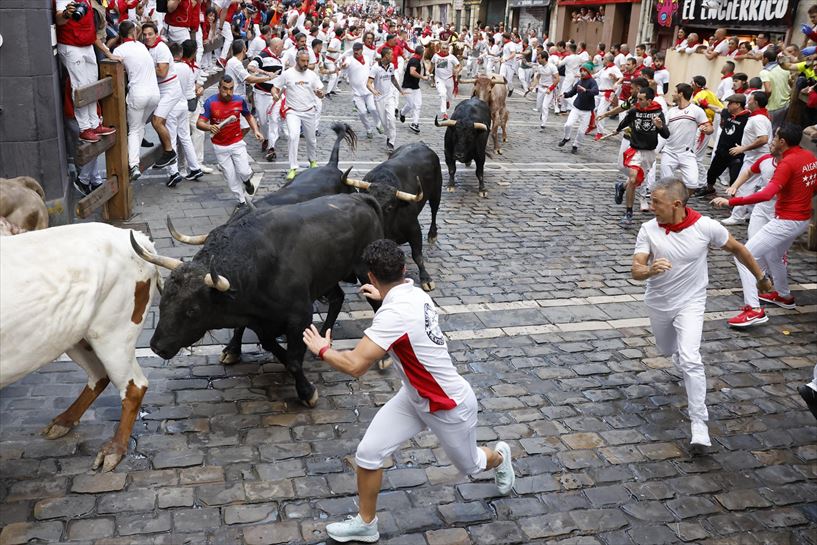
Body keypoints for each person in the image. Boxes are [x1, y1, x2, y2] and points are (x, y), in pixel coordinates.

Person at [302, 239, 516, 543]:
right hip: (414, 396)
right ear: (404, 269)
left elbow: (355, 365)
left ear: (372, 277)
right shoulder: (413, 293)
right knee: (369, 453)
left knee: (471, 465)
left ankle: (500, 457)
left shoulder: (395, 314)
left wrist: (323, 349)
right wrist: (383, 296)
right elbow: (400, 309)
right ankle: (366, 523)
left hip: (449, 406)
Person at [632, 178, 770, 449]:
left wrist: (760, 277)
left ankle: (699, 424)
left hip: (691, 303)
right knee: (667, 349)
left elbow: (739, 249)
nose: (650, 206)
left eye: (656, 202)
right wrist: (649, 270)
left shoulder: (705, 226)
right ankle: (677, 357)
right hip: (659, 302)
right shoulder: (648, 229)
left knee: (691, 358)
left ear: (676, 204)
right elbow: (635, 269)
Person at [711, 124, 817, 327]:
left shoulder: (787, 163)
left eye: (775, 138)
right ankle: (784, 296)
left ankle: (754, 309)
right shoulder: (810, 158)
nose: (772, 141)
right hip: (802, 219)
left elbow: (767, 194)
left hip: (787, 220)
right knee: (774, 255)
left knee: (744, 256)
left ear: (783, 142)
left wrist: (731, 201)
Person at [197, 76, 262, 209]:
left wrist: (256, 130)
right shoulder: (210, 102)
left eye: (231, 89)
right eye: (225, 89)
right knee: (231, 178)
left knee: (244, 171)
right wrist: (209, 127)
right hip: (219, 146)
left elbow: (248, 116)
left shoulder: (239, 101)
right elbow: (199, 123)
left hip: (237, 142)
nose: (228, 93)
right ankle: (242, 201)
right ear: (219, 88)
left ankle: (247, 181)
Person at [55, 0, 116, 144]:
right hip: (71, 44)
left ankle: (94, 124)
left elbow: (91, 30)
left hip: (87, 44)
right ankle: (84, 128)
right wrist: (66, 14)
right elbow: (59, 19)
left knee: (92, 84)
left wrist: (108, 52)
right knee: (80, 86)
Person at [612, 87, 670, 226]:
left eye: (641, 99)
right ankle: (628, 213)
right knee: (633, 179)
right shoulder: (634, 111)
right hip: (635, 150)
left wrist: (660, 126)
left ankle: (621, 187)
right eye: (637, 98)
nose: (637, 101)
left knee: (637, 180)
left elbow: (666, 135)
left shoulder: (658, 112)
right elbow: (625, 121)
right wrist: (617, 129)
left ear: (649, 101)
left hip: (649, 152)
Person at [114, 20, 160, 181]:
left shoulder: (119, 49)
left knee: (133, 129)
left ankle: (133, 164)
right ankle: (135, 160)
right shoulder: (141, 46)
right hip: (154, 94)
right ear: (133, 33)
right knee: (139, 127)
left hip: (138, 93)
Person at [272, 49, 325, 180]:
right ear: (296, 60)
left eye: (307, 61)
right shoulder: (287, 74)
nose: (306, 63)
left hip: (309, 111)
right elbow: (275, 87)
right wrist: (274, 94)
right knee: (293, 136)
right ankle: (293, 167)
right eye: (303, 61)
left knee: (311, 139)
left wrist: (320, 93)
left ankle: (312, 161)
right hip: (292, 111)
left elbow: (321, 89)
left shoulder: (312, 75)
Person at [720, 91, 772, 225]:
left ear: (756, 103)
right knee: (757, 187)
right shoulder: (759, 117)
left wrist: (743, 148)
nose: (747, 102)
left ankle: (737, 216)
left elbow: (763, 139)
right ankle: (750, 212)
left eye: (750, 100)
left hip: (756, 157)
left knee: (743, 186)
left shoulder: (758, 119)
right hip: (757, 156)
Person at [693, 94, 750, 198]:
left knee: (734, 177)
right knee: (712, 173)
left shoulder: (747, 118)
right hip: (722, 150)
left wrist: (744, 148)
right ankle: (709, 189)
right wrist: (706, 104)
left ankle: (735, 198)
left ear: (738, 104)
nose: (727, 105)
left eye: (730, 103)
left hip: (736, 153)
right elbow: (718, 109)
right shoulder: (727, 113)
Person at [142, 21, 181, 169]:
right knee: (159, 123)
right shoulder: (147, 48)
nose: (147, 37)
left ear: (156, 34)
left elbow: (163, 73)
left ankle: (169, 153)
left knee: (156, 121)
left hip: (170, 89)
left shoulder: (161, 48)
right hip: (159, 90)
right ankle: (166, 152)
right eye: (145, 34)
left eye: (150, 34)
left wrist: (146, 67)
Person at [661, 83, 712, 193]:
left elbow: (710, 128)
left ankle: (681, 203)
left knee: (693, 184)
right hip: (669, 152)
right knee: (666, 184)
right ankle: (670, 206)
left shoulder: (696, 110)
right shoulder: (671, 111)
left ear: (681, 94)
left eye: (675, 92)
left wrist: (706, 129)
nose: (672, 95)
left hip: (687, 154)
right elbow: (664, 130)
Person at [248, 36, 285, 161]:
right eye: (281, 47)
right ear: (276, 47)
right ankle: (267, 139)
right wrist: (265, 73)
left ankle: (271, 147)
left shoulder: (279, 60)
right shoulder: (262, 56)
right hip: (261, 94)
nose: (283, 49)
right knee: (263, 121)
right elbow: (250, 67)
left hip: (274, 96)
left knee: (274, 120)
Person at [368, 47, 403, 152]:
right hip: (379, 99)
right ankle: (389, 135)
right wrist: (373, 91)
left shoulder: (391, 66)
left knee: (391, 119)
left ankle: (391, 142)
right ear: (385, 56)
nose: (393, 56)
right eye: (391, 54)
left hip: (389, 96)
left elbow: (392, 78)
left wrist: (400, 89)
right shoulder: (375, 68)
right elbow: (368, 83)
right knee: (384, 122)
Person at [558, 62, 598, 154]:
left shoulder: (592, 81)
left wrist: (586, 90)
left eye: (585, 71)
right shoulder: (579, 82)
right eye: (581, 71)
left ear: (588, 72)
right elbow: (572, 92)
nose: (582, 73)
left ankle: (575, 145)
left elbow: (595, 91)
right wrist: (564, 94)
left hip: (587, 111)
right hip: (576, 108)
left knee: (581, 131)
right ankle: (566, 138)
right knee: (568, 125)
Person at [343, 42, 380, 139]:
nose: (356, 52)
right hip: (357, 93)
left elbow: (371, 69)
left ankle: (378, 125)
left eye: (358, 50)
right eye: (354, 50)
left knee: (372, 108)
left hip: (368, 90)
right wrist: (344, 66)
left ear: (361, 50)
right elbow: (346, 64)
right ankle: (368, 129)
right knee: (362, 112)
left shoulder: (367, 58)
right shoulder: (349, 59)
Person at [400, 45, 427, 134]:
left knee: (418, 105)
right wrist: (422, 77)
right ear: (422, 53)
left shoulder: (417, 59)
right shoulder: (414, 60)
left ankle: (415, 123)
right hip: (407, 86)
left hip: (415, 86)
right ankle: (402, 113)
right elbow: (412, 72)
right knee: (411, 104)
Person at [529, 50, 559, 129]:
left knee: (545, 106)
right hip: (541, 88)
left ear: (544, 58)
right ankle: (542, 114)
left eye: (539, 58)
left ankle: (543, 123)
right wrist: (533, 85)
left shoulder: (552, 67)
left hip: (549, 89)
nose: (537, 60)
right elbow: (538, 77)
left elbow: (557, 79)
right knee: (539, 107)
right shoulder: (539, 67)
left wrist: (551, 88)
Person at [430, 42, 461, 120]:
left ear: (448, 49)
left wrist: (457, 70)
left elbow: (459, 65)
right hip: (439, 79)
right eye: (443, 48)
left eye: (446, 48)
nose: (445, 50)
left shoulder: (451, 57)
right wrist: (429, 71)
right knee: (442, 94)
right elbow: (432, 64)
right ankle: (444, 113)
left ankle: (447, 101)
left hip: (449, 79)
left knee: (449, 97)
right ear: (440, 48)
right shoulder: (436, 56)